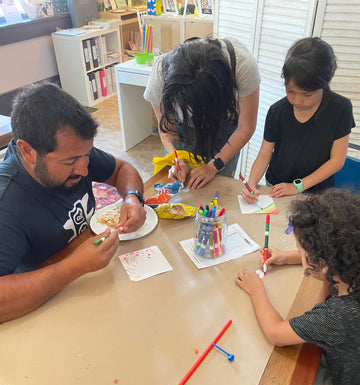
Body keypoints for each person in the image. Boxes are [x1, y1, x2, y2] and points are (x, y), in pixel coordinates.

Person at [0, 82, 146, 323]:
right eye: (71, 161)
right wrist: (73, 267)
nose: (85, 168)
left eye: (87, 154)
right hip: (40, 309)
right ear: (27, 152)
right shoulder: (7, 205)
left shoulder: (74, 153)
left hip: (86, 286)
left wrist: (133, 197)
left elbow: (122, 168)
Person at [235, 189, 360, 385]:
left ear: (323, 263)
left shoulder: (336, 316)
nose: (299, 255)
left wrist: (256, 289)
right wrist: (287, 256)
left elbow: (275, 333)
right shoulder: (352, 262)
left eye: (302, 253)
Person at [242, 37, 355, 203]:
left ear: (327, 81)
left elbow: (337, 161)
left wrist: (298, 186)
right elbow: (264, 154)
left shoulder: (340, 108)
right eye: (290, 91)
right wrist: (251, 184)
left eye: (307, 95)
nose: (297, 101)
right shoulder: (277, 111)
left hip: (317, 192)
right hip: (277, 186)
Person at [144, 36, 260, 189]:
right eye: (187, 106)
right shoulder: (161, 72)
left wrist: (214, 166)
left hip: (225, 131)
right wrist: (178, 160)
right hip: (182, 129)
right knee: (182, 187)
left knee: (218, 190)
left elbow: (246, 127)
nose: (193, 112)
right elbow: (167, 127)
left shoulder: (241, 65)